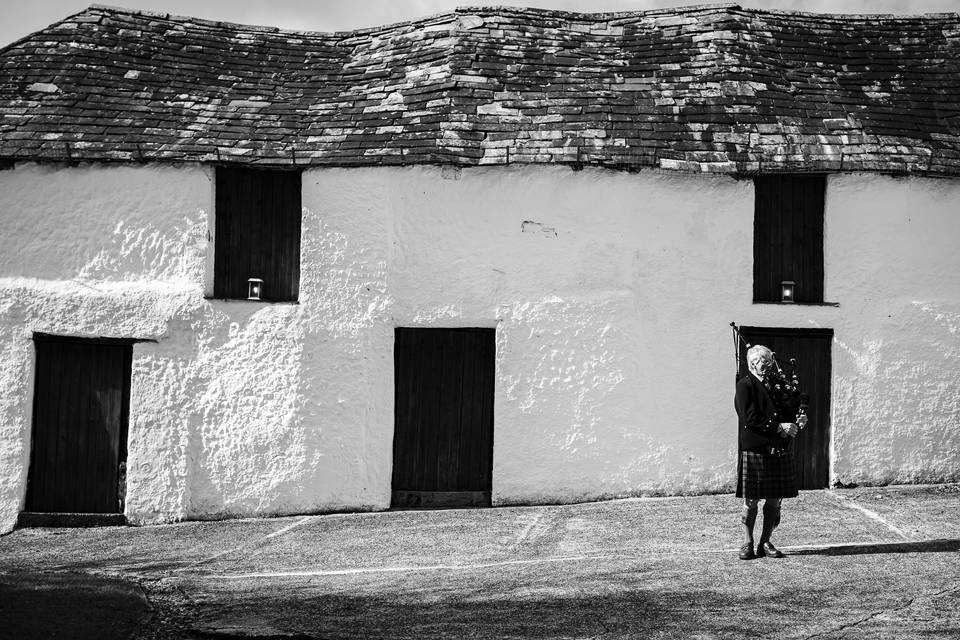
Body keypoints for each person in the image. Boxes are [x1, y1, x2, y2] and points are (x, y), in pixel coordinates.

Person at [734, 345, 808, 560]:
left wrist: (799, 420)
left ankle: (765, 542)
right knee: (751, 500)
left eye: (769, 362)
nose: (767, 366)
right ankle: (747, 542)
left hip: (779, 449)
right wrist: (778, 427)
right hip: (757, 448)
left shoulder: (777, 384)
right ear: (752, 363)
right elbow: (749, 418)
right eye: (762, 362)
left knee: (774, 500)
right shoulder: (745, 385)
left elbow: (788, 409)